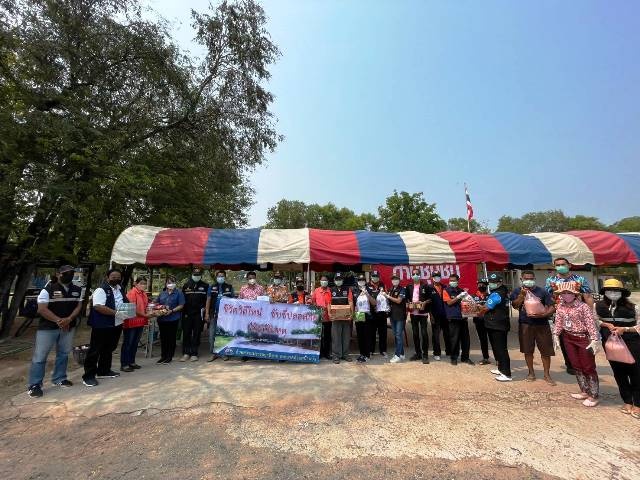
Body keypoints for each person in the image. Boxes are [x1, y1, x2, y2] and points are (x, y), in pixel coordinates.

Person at [27, 265, 82, 397]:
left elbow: (78, 306)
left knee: (63, 353)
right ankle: (35, 385)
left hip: (68, 327)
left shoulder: (77, 289)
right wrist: (59, 321)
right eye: (66, 273)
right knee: (40, 356)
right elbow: (42, 309)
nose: (69, 275)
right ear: (58, 274)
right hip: (48, 328)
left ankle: (59, 378)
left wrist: (69, 319)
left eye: (71, 273)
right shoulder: (48, 289)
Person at [596, 279, 640, 417]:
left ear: (622, 293)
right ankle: (627, 401)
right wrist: (605, 324)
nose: (613, 293)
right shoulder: (598, 306)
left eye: (616, 291)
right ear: (604, 292)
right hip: (611, 344)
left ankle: (638, 403)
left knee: (636, 372)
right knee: (618, 372)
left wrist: (625, 329)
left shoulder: (634, 307)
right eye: (609, 291)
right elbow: (594, 320)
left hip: (631, 343)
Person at [553, 284, 601, 407]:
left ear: (575, 294)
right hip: (568, 337)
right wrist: (556, 335)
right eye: (563, 293)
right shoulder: (560, 306)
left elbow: (590, 323)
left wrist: (594, 339)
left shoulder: (583, 307)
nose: (566, 295)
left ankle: (594, 395)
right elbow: (558, 322)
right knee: (576, 365)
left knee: (588, 366)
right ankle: (584, 390)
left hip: (583, 337)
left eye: (569, 293)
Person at [545, 257, 593, 375]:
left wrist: (591, 314)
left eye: (563, 264)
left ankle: (585, 363)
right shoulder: (551, 280)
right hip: (560, 314)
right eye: (557, 265)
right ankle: (570, 365)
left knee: (582, 339)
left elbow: (587, 296)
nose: (560, 267)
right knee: (564, 340)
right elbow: (548, 298)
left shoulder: (579, 279)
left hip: (578, 314)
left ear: (569, 265)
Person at [82, 269, 128, 387]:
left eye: (118, 277)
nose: (116, 279)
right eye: (113, 277)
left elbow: (125, 303)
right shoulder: (101, 290)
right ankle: (88, 376)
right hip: (101, 325)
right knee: (95, 350)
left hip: (116, 324)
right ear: (107, 278)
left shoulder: (120, 289)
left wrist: (129, 312)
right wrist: (116, 313)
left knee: (109, 348)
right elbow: (98, 307)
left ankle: (104, 371)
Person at [510, 271, 556, 384]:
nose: (529, 280)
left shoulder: (542, 291)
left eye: (531, 278)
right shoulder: (517, 291)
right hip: (525, 324)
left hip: (542, 324)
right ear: (521, 279)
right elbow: (515, 305)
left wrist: (544, 314)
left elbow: (552, 306)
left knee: (546, 351)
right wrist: (522, 295)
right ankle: (531, 373)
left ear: (534, 279)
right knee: (528, 350)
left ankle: (547, 374)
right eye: (526, 278)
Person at [121, 277, 155, 372]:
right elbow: (132, 308)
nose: (143, 285)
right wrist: (145, 315)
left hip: (140, 321)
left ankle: (131, 362)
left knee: (135, 343)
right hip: (131, 322)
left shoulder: (143, 294)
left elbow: (145, 306)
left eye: (145, 283)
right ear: (136, 283)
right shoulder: (131, 293)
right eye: (141, 283)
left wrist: (152, 310)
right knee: (128, 343)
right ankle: (124, 364)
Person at [484, 273, 512, 382]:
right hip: (498, 323)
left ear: (500, 282)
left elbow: (486, 308)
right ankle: (501, 368)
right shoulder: (503, 290)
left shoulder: (497, 294)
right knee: (497, 348)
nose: (492, 284)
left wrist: (477, 308)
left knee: (501, 349)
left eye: (494, 282)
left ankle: (506, 374)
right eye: (491, 282)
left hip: (497, 325)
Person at [443, 274, 474, 366]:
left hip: (463, 317)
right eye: (450, 280)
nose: (452, 282)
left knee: (465, 339)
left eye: (454, 280)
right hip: (453, 318)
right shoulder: (446, 290)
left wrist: (467, 296)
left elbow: (466, 303)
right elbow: (449, 303)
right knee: (454, 339)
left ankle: (465, 357)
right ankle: (454, 357)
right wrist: (458, 297)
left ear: (458, 281)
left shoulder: (461, 291)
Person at [205, 270, 235, 362]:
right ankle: (213, 354)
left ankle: (223, 353)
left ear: (225, 277)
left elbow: (234, 301)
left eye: (222, 276)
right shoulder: (211, 287)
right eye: (219, 276)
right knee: (212, 334)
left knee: (223, 334)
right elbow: (208, 300)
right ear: (216, 277)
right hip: (213, 314)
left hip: (226, 315)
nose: (220, 277)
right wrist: (206, 313)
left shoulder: (229, 287)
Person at [180, 267, 209, 362]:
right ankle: (186, 353)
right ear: (192, 275)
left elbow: (207, 300)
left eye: (198, 275)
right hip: (187, 314)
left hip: (199, 314)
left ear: (201, 275)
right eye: (195, 275)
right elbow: (182, 300)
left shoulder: (205, 286)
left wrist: (205, 312)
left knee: (196, 334)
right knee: (186, 333)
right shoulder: (186, 285)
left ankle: (194, 353)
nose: (196, 276)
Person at [155, 275, 185, 364]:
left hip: (173, 319)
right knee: (163, 338)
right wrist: (160, 307)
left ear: (175, 283)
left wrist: (171, 311)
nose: (170, 284)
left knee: (171, 338)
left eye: (172, 282)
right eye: (169, 282)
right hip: (162, 319)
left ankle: (169, 356)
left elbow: (181, 305)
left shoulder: (179, 293)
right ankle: (163, 356)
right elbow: (157, 303)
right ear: (166, 283)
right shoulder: (162, 293)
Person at [405, 268, 433, 364]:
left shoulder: (426, 286)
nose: (415, 276)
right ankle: (418, 353)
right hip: (413, 313)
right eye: (413, 274)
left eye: (417, 274)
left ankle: (425, 355)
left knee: (424, 333)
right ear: (411, 276)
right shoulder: (409, 286)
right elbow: (407, 299)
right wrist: (409, 303)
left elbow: (430, 299)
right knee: (415, 334)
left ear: (420, 275)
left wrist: (424, 302)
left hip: (423, 313)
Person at [330, 272, 354, 364]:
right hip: (335, 318)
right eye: (337, 279)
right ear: (334, 280)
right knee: (336, 337)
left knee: (346, 337)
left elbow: (350, 301)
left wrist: (351, 313)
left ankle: (345, 354)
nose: (338, 281)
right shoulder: (331, 290)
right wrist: (330, 314)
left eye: (340, 279)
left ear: (342, 280)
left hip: (345, 317)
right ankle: (336, 355)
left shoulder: (347, 289)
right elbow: (329, 303)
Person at [353, 274, 376, 363]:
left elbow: (374, 303)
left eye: (363, 280)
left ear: (365, 281)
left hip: (367, 315)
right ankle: (362, 354)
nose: (361, 281)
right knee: (360, 335)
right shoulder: (355, 290)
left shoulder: (369, 290)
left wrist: (367, 294)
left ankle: (367, 354)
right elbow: (353, 303)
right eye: (359, 280)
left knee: (367, 335)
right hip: (358, 314)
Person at [385, 274, 407, 363]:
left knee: (398, 335)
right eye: (393, 279)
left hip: (400, 315)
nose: (394, 281)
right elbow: (389, 301)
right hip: (392, 315)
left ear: (399, 280)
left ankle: (397, 355)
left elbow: (399, 300)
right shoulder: (391, 289)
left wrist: (388, 297)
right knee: (396, 335)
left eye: (396, 279)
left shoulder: (402, 289)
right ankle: (402, 354)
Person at [429, 272, 451, 361]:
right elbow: (428, 303)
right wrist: (431, 315)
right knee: (436, 335)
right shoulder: (429, 288)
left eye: (438, 276)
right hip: (435, 315)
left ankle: (449, 351)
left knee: (447, 334)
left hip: (445, 315)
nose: (436, 278)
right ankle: (436, 353)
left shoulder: (445, 287)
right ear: (432, 278)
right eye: (435, 276)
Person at [311, 274, 333, 360]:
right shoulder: (316, 291)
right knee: (319, 336)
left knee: (327, 336)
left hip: (328, 317)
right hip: (318, 317)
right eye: (322, 280)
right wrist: (317, 308)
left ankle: (327, 353)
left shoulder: (330, 291)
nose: (324, 282)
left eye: (325, 280)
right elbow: (313, 301)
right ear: (320, 282)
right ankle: (320, 352)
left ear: (327, 282)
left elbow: (332, 303)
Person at [367, 270, 388, 357]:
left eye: (376, 276)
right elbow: (366, 298)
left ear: (379, 277)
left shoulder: (382, 285)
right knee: (371, 333)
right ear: (371, 277)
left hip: (382, 313)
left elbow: (386, 296)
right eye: (373, 276)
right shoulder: (367, 285)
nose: (375, 278)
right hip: (371, 313)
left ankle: (383, 350)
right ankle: (371, 350)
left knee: (383, 332)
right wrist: (374, 306)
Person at [471, 279, 491, 365]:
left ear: (486, 286)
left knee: (493, 339)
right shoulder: (472, 296)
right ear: (477, 285)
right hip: (479, 321)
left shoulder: (490, 296)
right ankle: (485, 358)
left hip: (490, 321)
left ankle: (498, 358)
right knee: (483, 340)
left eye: (483, 284)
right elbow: (469, 309)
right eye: (479, 284)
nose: (481, 286)